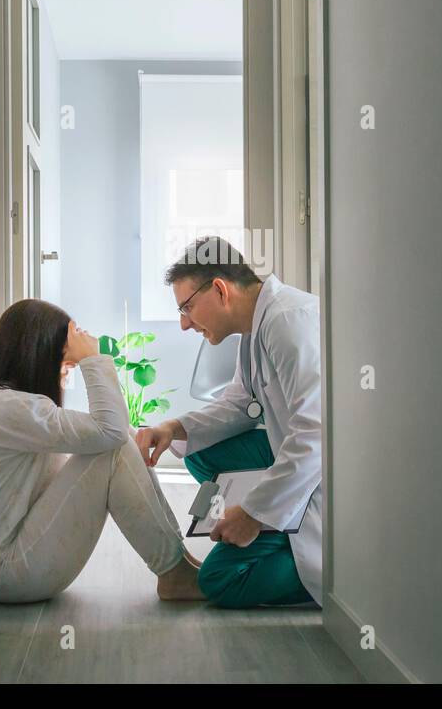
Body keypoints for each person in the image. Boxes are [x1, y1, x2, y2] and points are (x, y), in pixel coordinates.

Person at [0, 298, 205, 603]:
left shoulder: (5, 405)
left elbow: (110, 429)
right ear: (37, 356)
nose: (66, 372)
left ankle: (179, 561)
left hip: (13, 562)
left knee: (121, 436)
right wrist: (92, 359)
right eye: (63, 360)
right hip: (6, 574)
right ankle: (174, 571)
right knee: (116, 444)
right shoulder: (4, 408)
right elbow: (108, 432)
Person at [135, 237, 324, 609]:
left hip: (322, 479)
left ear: (220, 289)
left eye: (187, 307)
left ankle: (311, 560)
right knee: (197, 453)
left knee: (217, 579)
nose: (184, 323)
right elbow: (240, 405)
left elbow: (317, 435)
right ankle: (229, 519)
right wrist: (173, 428)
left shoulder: (288, 321)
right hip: (290, 456)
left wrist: (254, 514)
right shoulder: (255, 331)